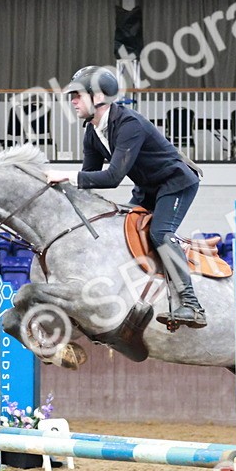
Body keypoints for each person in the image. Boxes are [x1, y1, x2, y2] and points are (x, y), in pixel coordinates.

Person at [44, 65, 206, 328]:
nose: (72, 101)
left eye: (77, 95)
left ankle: (192, 305)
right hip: (147, 187)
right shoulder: (92, 132)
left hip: (175, 183)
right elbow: (89, 178)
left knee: (160, 233)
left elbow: (112, 178)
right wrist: (57, 192)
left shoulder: (129, 125)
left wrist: (64, 175)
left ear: (98, 97)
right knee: (119, 226)